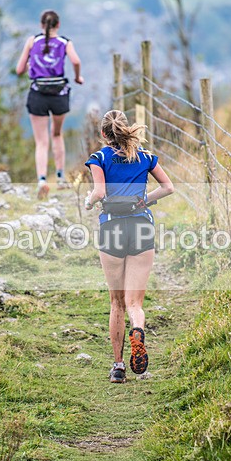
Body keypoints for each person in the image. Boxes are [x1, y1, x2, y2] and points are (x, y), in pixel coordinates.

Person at [84, 110, 174, 383]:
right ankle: (138, 331)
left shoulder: (99, 158)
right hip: (141, 226)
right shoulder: (145, 157)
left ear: (103, 134)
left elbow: (99, 193)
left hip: (112, 227)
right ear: (126, 129)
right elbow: (168, 187)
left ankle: (119, 366)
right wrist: (145, 200)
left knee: (116, 302)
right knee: (135, 302)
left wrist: (89, 202)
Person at [15, 10, 83, 199]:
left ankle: (42, 180)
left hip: (38, 94)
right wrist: (78, 77)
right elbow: (76, 60)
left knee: (41, 141)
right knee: (57, 134)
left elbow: (19, 69)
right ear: (58, 25)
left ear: (41, 25)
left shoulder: (32, 41)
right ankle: (61, 178)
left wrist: (30, 66)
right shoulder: (64, 42)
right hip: (59, 94)